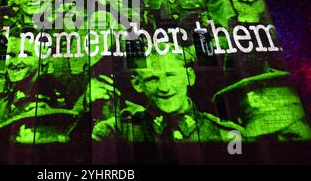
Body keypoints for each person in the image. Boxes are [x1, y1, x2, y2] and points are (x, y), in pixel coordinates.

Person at [92, 44, 243, 143]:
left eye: (171, 75)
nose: (164, 88)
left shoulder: (227, 135)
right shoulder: (117, 130)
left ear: (189, 77)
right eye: (152, 79)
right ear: (137, 84)